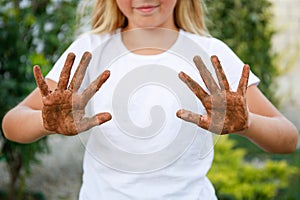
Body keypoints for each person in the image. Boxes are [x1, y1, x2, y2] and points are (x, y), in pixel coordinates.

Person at [2, 0, 299, 199]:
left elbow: (287, 139)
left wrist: (246, 123)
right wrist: (45, 122)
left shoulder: (212, 53)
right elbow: (12, 123)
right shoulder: (90, 49)